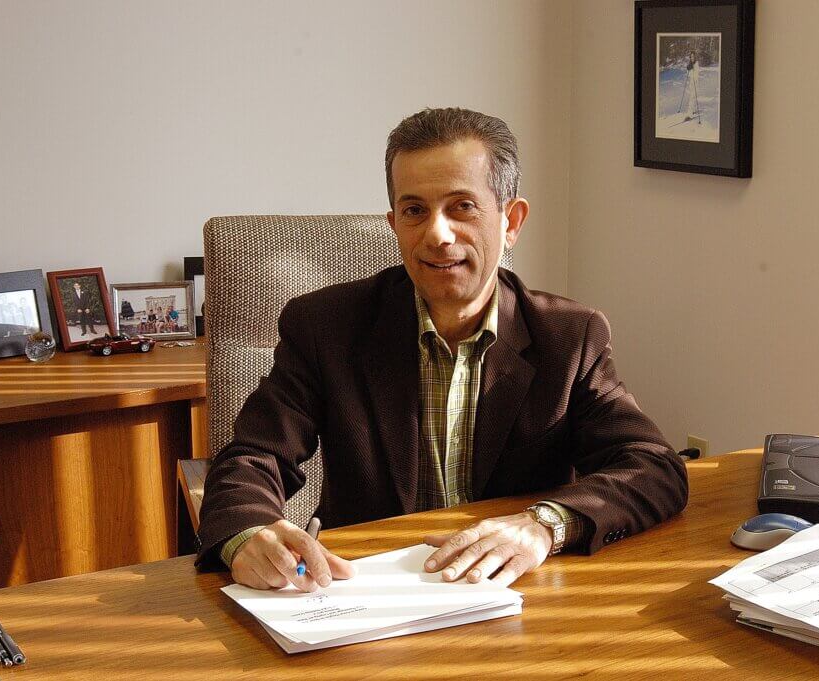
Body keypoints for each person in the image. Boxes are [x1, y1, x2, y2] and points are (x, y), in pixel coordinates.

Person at [197, 108, 688, 592]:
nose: (437, 234)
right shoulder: (326, 327)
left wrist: (544, 525)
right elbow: (254, 456)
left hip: (513, 595)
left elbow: (652, 465)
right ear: (394, 223)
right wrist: (246, 535)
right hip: (365, 594)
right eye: (415, 211)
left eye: (462, 206)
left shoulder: (568, 336)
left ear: (511, 220)